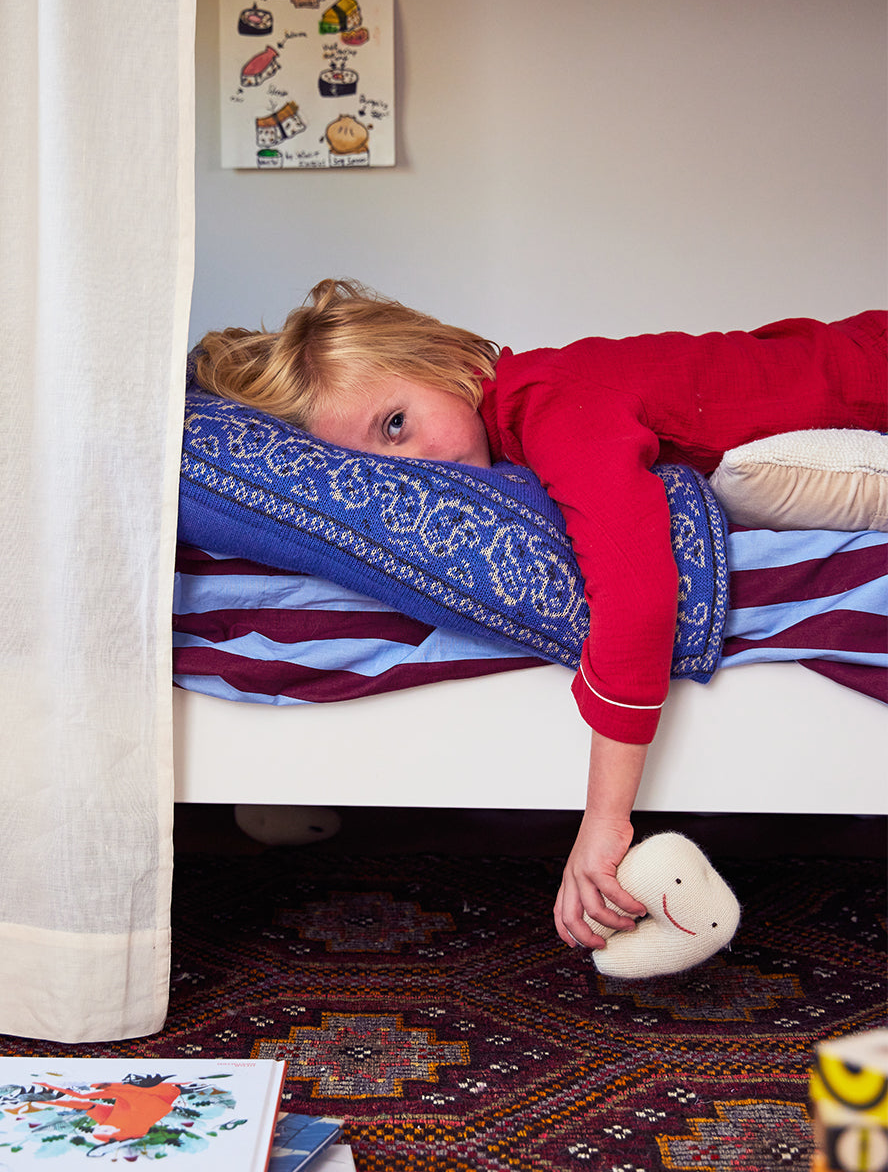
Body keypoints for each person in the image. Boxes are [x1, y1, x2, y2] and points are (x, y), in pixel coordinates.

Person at [195, 280, 887, 951]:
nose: (412, 466)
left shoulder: (556, 405)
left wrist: (605, 821)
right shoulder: (526, 419)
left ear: (454, 365)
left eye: (397, 423)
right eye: (376, 461)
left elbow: (641, 593)